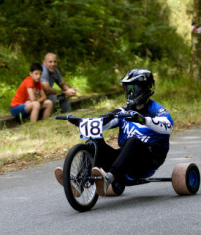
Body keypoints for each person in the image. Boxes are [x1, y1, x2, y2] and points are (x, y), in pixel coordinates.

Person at [54, 68, 174, 197]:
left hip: (148, 161)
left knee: (133, 140)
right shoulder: (124, 110)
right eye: (128, 89)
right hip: (126, 160)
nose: (131, 93)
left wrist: (143, 120)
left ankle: (109, 178)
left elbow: (168, 126)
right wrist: (82, 121)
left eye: (134, 89)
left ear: (146, 88)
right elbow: (104, 122)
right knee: (94, 141)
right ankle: (80, 182)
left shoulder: (157, 110)